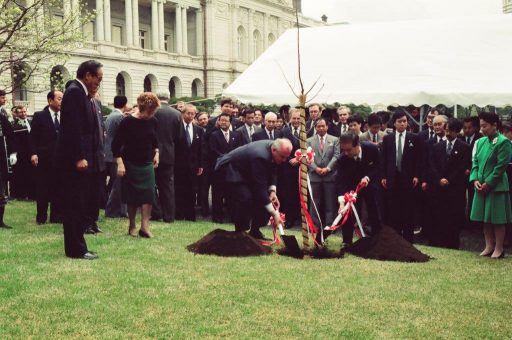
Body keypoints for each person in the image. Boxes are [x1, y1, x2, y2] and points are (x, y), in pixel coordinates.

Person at [57, 60, 103, 260]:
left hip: (82, 159)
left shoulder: (82, 93)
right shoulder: (75, 92)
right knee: (74, 204)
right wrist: (79, 157)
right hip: (74, 161)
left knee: (80, 203)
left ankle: (79, 246)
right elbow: (72, 128)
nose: (99, 83)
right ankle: (75, 249)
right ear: (87, 75)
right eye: (98, 78)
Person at [215, 138, 292, 240]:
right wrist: (274, 213)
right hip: (231, 169)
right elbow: (259, 188)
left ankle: (255, 231)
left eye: (286, 157)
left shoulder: (274, 149)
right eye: (282, 157)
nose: (284, 160)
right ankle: (241, 233)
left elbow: (273, 169)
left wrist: (272, 191)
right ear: (274, 150)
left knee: (261, 200)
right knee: (246, 198)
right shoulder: (260, 156)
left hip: (246, 170)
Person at [112, 93, 160, 238]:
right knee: (132, 196)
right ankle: (132, 225)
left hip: (147, 163)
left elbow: (155, 140)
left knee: (149, 194)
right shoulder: (127, 122)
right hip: (130, 163)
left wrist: (156, 152)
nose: (151, 114)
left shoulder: (153, 121)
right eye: (150, 111)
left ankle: (145, 227)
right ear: (142, 107)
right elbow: (116, 145)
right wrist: (120, 163)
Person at [470, 112, 512, 259]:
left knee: (497, 218)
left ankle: (499, 248)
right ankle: (489, 245)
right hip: (481, 185)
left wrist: (488, 183)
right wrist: (475, 179)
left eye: (485, 126)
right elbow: (475, 162)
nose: (482, 129)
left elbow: (501, 166)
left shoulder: (503, 142)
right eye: (481, 126)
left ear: (494, 125)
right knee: (485, 217)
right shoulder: (480, 142)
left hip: (496, 186)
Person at [426, 118, 471, 249]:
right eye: (446, 130)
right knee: (438, 217)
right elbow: (432, 165)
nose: (448, 133)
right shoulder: (437, 147)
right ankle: (437, 244)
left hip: (455, 189)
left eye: (450, 131)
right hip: (439, 189)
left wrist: (449, 179)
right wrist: (439, 179)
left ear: (457, 132)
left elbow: (462, 167)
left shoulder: (464, 147)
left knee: (453, 219)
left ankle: (452, 244)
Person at [381, 109, 421, 243]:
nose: (403, 124)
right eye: (400, 121)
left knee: (408, 208)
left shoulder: (413, 138)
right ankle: (395, 237)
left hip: (408, 178)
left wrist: (416, 175)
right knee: (393, 208)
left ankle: (408, 239)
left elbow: (417, 159)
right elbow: (384, 159)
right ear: (394, 123)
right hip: (392, 177)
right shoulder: (388, 138)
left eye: (405, 121)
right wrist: (384, 176)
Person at [335, 133, 381, 244]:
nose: (346, 153)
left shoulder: (372, 149)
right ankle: (347, 241)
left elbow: (378, 166)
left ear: (357, 145)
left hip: (370, 185)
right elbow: (341, 181)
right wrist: (342, 203)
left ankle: (378, 239)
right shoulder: (342, 159)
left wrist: (368, 177)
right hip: (351, 188)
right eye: (343, 150)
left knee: (374, 210)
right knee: (347, 212)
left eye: (349, 150)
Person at [30, 90, 63, 224]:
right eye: (59, 99)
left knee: (58, 188)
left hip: (60, 159)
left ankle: (56, 216)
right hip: (44, 158)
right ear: (50, 101)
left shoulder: (65, 116)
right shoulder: (40, 116)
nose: (62, 102)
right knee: (43, 188)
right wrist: (33, 153)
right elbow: (32, 138)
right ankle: (41, 217)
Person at [307, 118, 340, 236]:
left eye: (323, 126)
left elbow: (336, 155)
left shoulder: (335, 140)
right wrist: (315, 168)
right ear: (315, 127)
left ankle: (330, 225)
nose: (321, 128)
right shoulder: (309, 141)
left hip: (329, 175)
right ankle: (314, 225)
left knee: (330, 201)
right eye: (318, 126)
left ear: (327, 126)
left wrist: (328, 168)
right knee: (314, 202)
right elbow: (306, 157)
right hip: (314, 175)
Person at [152, 92, 182, 223]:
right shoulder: (176, 114)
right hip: (169, 153)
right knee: (168, 186)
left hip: (152, 153)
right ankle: (169, 216)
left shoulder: (152, 111)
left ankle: (156, 212)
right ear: (168, 98)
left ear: (157, 98)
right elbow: (179, 136)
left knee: (151, 184)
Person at [208, 113, 242, 223]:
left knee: (231, 194)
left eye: (226, 121)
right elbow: (213, 151)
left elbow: (239, 150)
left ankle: (233, 216)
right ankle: (217, 217)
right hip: (219, 168)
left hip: (232, 170)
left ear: (230, 122)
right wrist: (226, 158)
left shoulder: (236, 135)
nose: (223, 122)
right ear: (218, 121)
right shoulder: (214, 135)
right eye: (221, 120)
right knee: (217, 194)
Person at [175, 104, 206, 221]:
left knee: (192, 190)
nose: (190, 116)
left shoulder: (199, 130)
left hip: (193, 166)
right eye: (188, 113)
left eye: (193, 114)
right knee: (179, 190)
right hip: (179, 165)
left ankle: (190, 215)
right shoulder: (177, 128)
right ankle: (179, 214)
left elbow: (201, 149)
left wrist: (201, 165)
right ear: (183, 114)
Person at [104, 95, 129, 218]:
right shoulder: (119, 117)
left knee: (116, 183)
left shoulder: (110, 116)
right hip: (116, 154)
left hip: (108, 152)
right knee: (119, 184)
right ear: (125, 105)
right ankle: (115, 211)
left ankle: (118, 210)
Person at [280, 109, 302, 229]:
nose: (296, 121)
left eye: (298, 118)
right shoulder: (284, 131)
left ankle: (300, 218)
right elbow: (280, 147)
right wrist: (289, 159)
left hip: (301, 167)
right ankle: (289, 219)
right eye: (294, 118)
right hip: (287, 168)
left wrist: (299, 159)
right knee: (288, 194)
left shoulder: (305, 131)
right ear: (290, 118)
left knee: (301, 194)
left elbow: (308, 148)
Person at [10, 105, 34, 200]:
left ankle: (32, 194)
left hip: (32, 152)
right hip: (21, 154)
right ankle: (21, 194)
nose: (23, 114)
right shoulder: (14, 125)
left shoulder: (31, 122)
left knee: (32, 174)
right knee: (22, 174)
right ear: (17, 113)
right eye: (21, 112)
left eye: (24, 112)